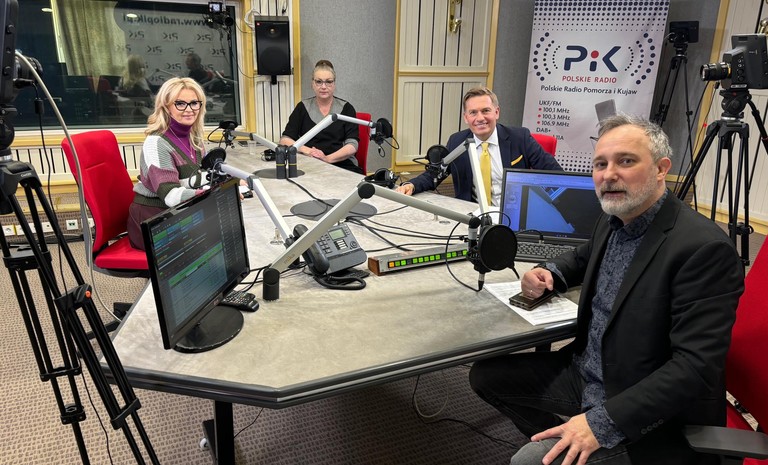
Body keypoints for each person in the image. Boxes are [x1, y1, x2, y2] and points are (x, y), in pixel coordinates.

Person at [468, 114, 745, 464]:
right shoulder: (615, 218)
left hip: (649, 411)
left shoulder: (703, 249)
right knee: (485, 376)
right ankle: (562, 439)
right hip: (588, 372)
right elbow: (582, 257)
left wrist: (600, 425)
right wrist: (548, 272)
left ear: (661, 169)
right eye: (600, 164)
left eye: (626, 161)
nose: (609, 174)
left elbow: (694, 368)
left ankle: (575, 445)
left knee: (528, 461)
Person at [396, 87, 561, 206]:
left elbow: (556, 175)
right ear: (465, 117)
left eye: (486, 111)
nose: (480, 118)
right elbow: (435, 174)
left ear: (496, 112)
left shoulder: (520, 138)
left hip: (512, 215)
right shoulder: (457, 142)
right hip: (472, 216)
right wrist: (411, 185)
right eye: (473, 112)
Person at [126, 77, 209, 250]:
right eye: (180, 104)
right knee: (211, 241)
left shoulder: (194, 139)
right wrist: (209, 194)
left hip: (179, 212)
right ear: (166, 107)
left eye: (194, 103)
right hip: (153, 219)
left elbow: (200, 177)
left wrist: (230, 183)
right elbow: (171, 195)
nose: (189, 109)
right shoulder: (156, 143)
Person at [279, 59, 362, 174]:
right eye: (319, 82)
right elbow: (285, 140)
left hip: (340, 164)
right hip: (309, 163)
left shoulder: (347, 108)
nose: (323, 86)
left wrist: (327, 159)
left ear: (334, 84)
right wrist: (309, 151)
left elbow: (352, 145)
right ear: (312, 84)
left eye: (328, 82)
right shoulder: (302, 108)